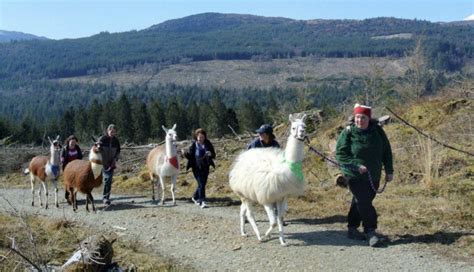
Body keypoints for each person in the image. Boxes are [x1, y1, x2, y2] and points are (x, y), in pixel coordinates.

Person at [336, 103, 394, 247]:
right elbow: (340, 154)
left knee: (360, 200)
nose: (359, 120)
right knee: (363, 201)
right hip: (353, 175)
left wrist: (389, 170)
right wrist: (355, 165)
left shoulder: (378, 132)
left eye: (362, 118)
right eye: (357, 117)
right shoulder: (348, 132)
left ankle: (352, 228)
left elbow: (386, 151)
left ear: (369, 118)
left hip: (373, 174)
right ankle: (370, 231)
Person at [184, 128, 216, 209]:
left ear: (205, 137)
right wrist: (184, 153)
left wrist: (210, 154)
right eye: (199, 137)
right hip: (196, 167)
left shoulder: (208, 144)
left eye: (202, 137)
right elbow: (190, 157)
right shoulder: (193, 145)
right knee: (201, 184)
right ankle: (202, 201)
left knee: (202, 184)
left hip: (206, 167)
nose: (201, 138)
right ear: (196, 137)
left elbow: (213, 154)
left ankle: (195, 197)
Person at [99, 124, 121, 206]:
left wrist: (115, 159)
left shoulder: (116, 141)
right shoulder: (102, 139)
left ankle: (106, 198)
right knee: (99, 181)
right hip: (101, 163)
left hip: (111, 164)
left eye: (114, 132)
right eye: (111, 131)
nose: (112, 133)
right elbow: (96, 148)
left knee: (108, 180)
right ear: (108, 131)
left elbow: (118, 151)